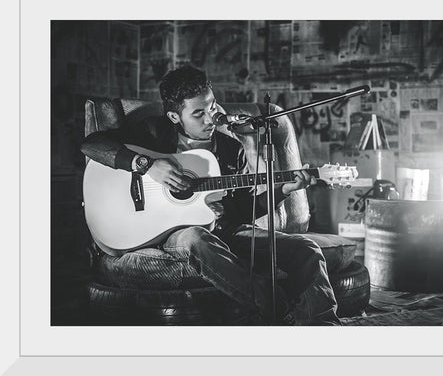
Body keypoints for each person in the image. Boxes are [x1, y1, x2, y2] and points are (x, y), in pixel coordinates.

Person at [81, 64, 341, 325]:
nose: (210, 118)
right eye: (198, 113)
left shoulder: (230, 148)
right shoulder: (151, 133)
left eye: (212, 107)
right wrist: (146, 165)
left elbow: (243, 209)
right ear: (174, 117)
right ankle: (280, 313)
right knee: (197, 237)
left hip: (224, 230)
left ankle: (325, 328)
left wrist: (282, 190)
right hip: (175, 233)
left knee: (306, 248)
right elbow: (92, 145)